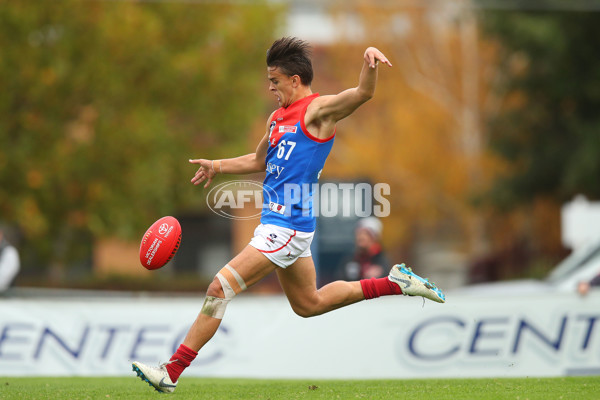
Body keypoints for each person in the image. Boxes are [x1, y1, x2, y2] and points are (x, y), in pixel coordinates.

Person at [132, 37, 445, 393]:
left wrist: (369, 63)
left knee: (219, 287)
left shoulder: (318, 111)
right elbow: (257, 160)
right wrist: (216, 165)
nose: (270, 87)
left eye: (275, 80)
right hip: (280, 226)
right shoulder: (276, 119)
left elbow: (361, 94)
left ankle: (170, 372)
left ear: (295, 80)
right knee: (309, 304)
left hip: (287, 228)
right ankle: (395, 282)